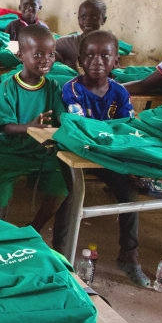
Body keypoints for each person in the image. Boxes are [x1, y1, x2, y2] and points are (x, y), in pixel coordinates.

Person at [61, 30, 150, 287]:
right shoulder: (73, 90)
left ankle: (129, 255)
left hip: (109, 157)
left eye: (104, 55)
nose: (97, 61)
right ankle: (62, 253)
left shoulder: (120, 93)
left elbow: (126, 128)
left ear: (116, 62)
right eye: (89, 55)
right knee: (70, 193)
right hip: (79, 154)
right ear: (79, 60)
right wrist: (110, 136)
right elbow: (82, 128)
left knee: (129, 192)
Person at [0, 25, 67, 234]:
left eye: (51, 54)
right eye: (38, 54)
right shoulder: (9, 86)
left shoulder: (53, 87)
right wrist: (29, 127)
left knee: (62, 185)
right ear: (21, 55)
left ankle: (33, 229)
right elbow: (4, 126)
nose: (46, 60)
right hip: (9, 151)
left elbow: (60, 117)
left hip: (40, 151)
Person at [54, 0, 107, 70]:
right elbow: (46, 48)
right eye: (83, 17)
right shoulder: (69, 43)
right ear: (78, 19)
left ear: (103, 20)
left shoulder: (109, 45)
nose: (88, 21)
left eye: (94, 17)